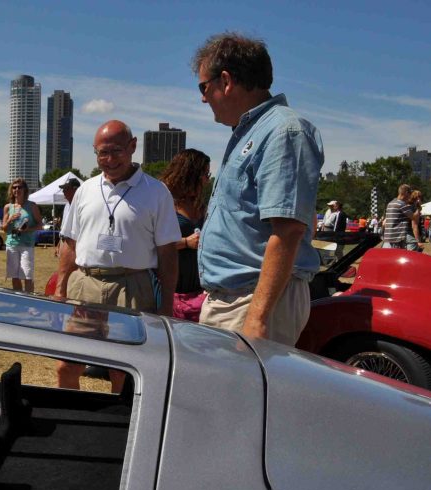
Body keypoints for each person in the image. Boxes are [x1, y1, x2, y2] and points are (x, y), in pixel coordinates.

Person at [193, 32, 323, 345]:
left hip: (253, 303)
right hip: (237, 300)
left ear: (226, 81)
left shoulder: (284, 131)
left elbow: (288, 230)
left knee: (245, 380)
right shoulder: (252, 132)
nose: (203, 98)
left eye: (203, 87)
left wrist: (258, 317)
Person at [55, 120, 179, 390]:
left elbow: (168, 253)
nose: (109, 160)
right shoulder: (85, 190)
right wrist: (61, 287)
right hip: (85, 285)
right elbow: (70, 243)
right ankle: (70, 411)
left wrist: (167, 304)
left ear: (132, 146)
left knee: (124, 371)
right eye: (102, 153)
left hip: (132, 287)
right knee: (67, 365)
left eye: (116, 151)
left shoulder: (156, 192)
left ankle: (122, 416)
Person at [159, 149, 211, 321]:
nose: (207, 180)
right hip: (170, 292)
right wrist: (186, 242)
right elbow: (149, 244)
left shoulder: (201, 205)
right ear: (190, 175)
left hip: (198, 293)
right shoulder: (164, 201)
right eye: (204, 174)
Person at [2, 178, 42, 292]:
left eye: (20, 187)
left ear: (25, 190)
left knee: (27, 276)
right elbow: (4, 228)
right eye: (14, 187)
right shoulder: (8, 207)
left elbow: (40, 225)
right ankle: (18, 299)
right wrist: (10, 219)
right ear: (11, 190)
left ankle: (29, 300)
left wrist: (28, 229)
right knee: (14, 276)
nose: (17, 189)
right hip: (12, 244)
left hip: (27, 245)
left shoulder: (32, 206)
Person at [58, 177, 81, 257]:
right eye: (63, 189)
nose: (63, 191)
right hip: (64, 241)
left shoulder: (81, 205)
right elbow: (63, 227)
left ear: (76, 190)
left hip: (75, 243)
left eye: (66, 189)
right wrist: (59, 243)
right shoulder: (67, 205)